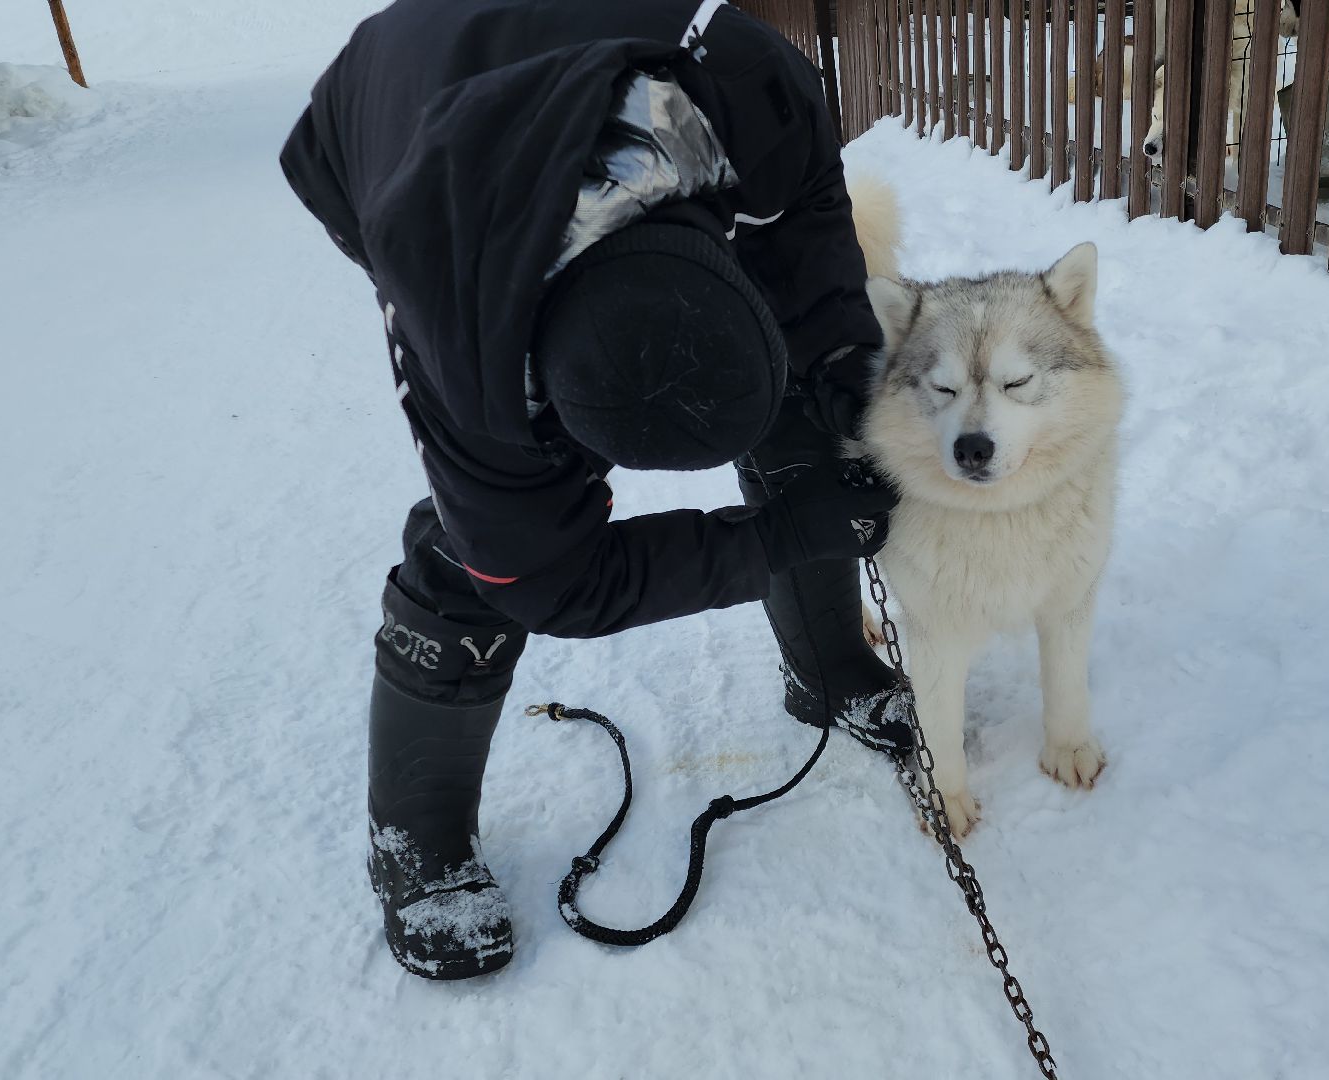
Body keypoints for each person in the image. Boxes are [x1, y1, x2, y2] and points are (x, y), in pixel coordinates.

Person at [280, 0, 914, 981]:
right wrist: (776, 537)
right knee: (478, 547)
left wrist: (837, 366)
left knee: (804, 398)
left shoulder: (749, 87)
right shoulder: (460, 326)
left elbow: (811, 223)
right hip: (390, 111)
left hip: (613, 56)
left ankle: (825, 666)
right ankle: (417, 845)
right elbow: (551, 581)